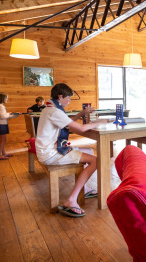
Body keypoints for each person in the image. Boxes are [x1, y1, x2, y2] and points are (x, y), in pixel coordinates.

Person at [35, 83, 108, 218]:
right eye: (68, 98)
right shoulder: (54, 111)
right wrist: (100, 122)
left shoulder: (50, 107)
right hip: (51, 153)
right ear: (60, 96)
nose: (69, 102)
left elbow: (66, 122)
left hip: (49, 149)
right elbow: (80, 129)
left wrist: (82, 114)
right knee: (96, 161)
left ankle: (83, 189)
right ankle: (71, 200)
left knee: (89, 151)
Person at [0, 92, 19, 160]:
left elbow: (5, 115)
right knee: (3, 140)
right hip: (0, 125)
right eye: (6, 98)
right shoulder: (0, 106)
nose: (7, 99)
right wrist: (10, 114)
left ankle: (3, 153)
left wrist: (14, 115)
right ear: (2, 98)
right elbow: (3, 116)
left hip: (1, 124)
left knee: (3, 140)